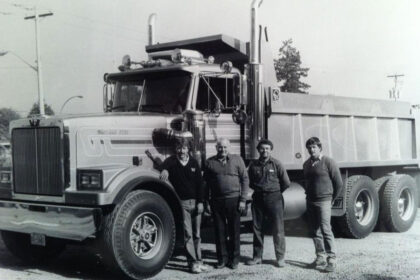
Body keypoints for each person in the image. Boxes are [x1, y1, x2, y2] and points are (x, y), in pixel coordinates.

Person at [160, 138, 208, 274]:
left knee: (197, 234)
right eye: (179, 148)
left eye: (184, 148)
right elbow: (162, 168)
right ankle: (192, 264)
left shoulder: (194, 163)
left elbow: (200, 184)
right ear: (176, 149)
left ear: (188, 149)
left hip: (196, 203)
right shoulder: (171, 162)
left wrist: (200, 202)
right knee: (188, 235)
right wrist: (164, 170)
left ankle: (199, 261)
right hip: (182, 204)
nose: (181, 151)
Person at [203, 138, 249, 270]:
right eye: (220, 147)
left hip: (234, 200)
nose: (223, 150)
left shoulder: (237, 160)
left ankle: (234, 260)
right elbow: (205, 184)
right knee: (219, 231)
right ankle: (222, 259)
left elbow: (245, 180)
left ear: (229, 147)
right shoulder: (210, 162)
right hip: (216, 201)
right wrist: (206, 201)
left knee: (234, 231)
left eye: (225, 147)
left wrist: (243, 200)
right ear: (216, 147)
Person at [246, 139, 290, 268]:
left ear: (271, 150)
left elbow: (286, 182)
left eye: (267, 149)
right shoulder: (253, 165)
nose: (264, 151)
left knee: (278, 229)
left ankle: (280, 258)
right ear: (258, 150)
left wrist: (274, 192)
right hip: (258, 198)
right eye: (262, 148)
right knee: (257, 228)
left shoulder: (277, 164)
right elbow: (249, 181)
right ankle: (257, 257)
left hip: (274, 198)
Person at [303, 137, 343, 272]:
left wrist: (331, 199)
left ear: (320, 148)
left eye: (314, 147)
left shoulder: (328, 162)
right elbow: (307, 182)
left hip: (324, 201)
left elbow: (339, 183)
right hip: (310, 201)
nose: (311, 149)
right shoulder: (306, 164)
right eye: (309, 147)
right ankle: (320, 257)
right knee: (314, 230)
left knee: (326, 229)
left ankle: (332, 259)